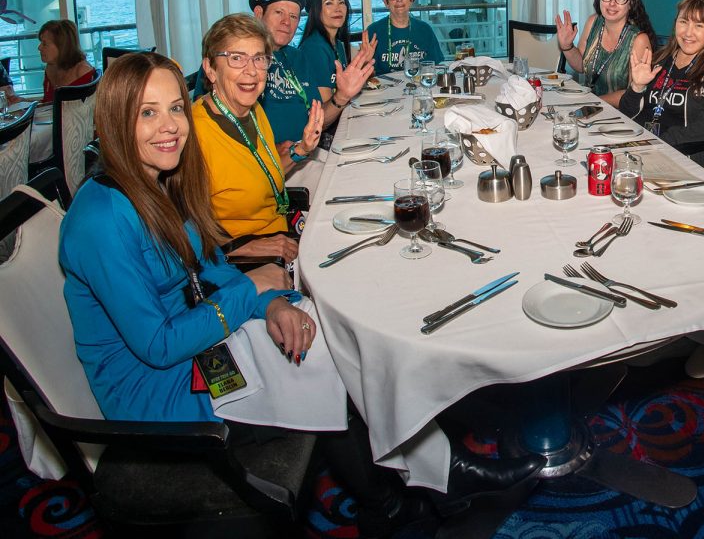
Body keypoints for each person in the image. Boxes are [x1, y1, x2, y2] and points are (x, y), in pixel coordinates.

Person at [57, 53, 538, 536]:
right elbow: (159, 346)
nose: (169, 126)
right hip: (164, 396)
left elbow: (212, 269)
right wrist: (251, 291)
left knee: (331, 333)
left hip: (198, 344)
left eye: (176, 108)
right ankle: (434, 485)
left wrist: (269, 303)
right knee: (340, 360)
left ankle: (412, 490)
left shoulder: (159, 183)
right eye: (148, 112)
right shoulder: (101, 218)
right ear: (115, 120)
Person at [195, 14, 322, 263]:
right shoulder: (194, 134)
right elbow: (177, 226)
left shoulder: (253, 110)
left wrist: (302, 150)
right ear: (210, 69)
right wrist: (245, 248)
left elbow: (265, 175)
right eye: (236, 58)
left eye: (259, 58)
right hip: (246, 260)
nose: (251, 71)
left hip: (282, 231)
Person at [249, 0, 371, 150]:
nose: (286, 22)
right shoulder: (243, 62)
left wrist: (342, 96)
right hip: (272, 159)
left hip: (306, 151)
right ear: (258, 14)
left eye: (293, 16)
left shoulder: (297, 57)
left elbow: (320, 119)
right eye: (279, 12)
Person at [618, 0, 704, 165]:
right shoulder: (660, 59)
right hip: (644, 149)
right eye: (683, 22)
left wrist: (659, 142)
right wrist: (636, 87)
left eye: (699, 25)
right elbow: (626, 113)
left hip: (688, 158)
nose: (688, 33)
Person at [555, 0, 655, 107]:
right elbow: (581, 66)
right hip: (588, 106)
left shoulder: (639, 40)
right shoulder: (593, 22)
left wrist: (591, 101)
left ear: (631, 4)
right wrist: (567, 46)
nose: (612, 3)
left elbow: (634, 93)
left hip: (621, 113)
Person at [299, 0, 378, 112]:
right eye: (329, 3)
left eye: (341, 2)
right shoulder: (314, 49)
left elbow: (351, 87)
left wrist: (365, 61)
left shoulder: (338, 44)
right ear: (316, 10)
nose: (338, 9)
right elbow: (326, 110)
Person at [367, 0, 444, 72]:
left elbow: (435, 65)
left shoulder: (425, 30)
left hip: (418, 81)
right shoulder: (373, 31)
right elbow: (367, 73)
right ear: (386, 3)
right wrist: (365, 61)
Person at [37, 19, 96, 103]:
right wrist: (26, 103)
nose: (39, 47)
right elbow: (48, 102)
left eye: (44, 44)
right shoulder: (50, 67)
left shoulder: (83, 72)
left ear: (62, 46)